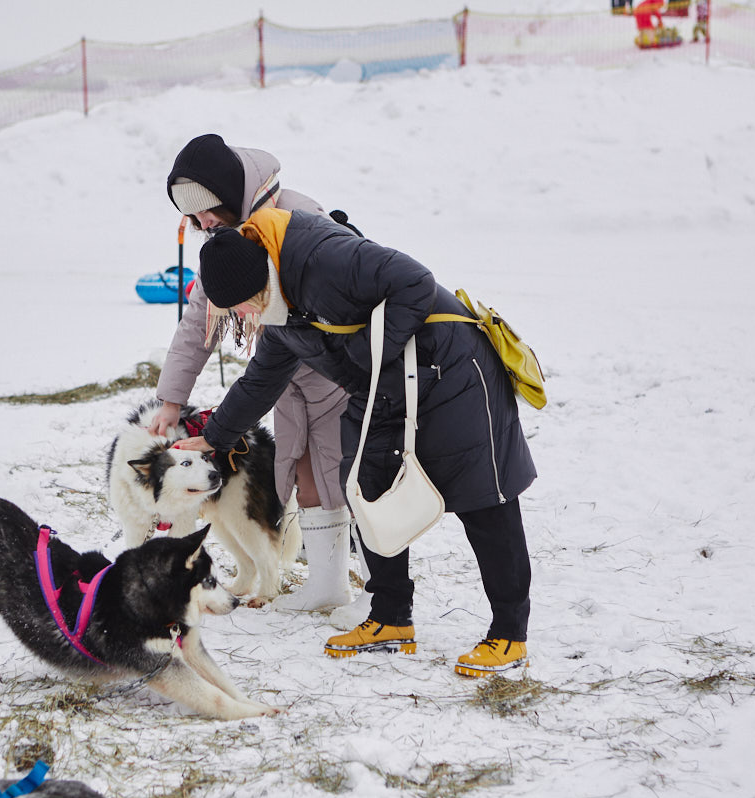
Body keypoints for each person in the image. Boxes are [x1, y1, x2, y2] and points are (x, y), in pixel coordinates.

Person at [174, 207, 537, 677]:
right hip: (387, 386)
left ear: (257, 283)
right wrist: (216, 438)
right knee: (365, 485)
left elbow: (414, 281)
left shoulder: (322, 258)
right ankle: (390, 618)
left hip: (452, 371)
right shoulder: (280, 313)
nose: (242, 317)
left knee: (483, 500)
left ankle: (510, 632)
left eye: (240, 306)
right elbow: (260, 380)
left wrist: (369, 356)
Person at [157, 134, 370, 621]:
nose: (203, 225)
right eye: (194, 218)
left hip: (336, 370)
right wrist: (171, 399)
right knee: (303, 473)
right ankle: (326, 584)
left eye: (209, 212)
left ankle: (380, 592)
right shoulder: (223, 239)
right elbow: (198, 320)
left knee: (352, 476)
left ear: (231, 195)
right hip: (287, 377)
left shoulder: (298, 216)